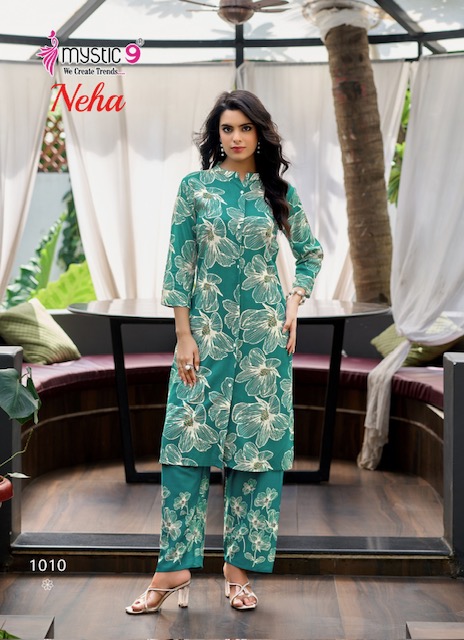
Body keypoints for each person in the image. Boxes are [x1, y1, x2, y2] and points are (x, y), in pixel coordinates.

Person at [126, 89, 323, 615]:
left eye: (245, 128)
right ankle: (172, 568)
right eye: (227, 129)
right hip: (205, 337)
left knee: (255, 455)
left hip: (264, 341)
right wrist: (182, 334)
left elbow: (310, 253)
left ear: (261, 134)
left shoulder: (278, 192)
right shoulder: (194, 188)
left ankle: (239, 572)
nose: (236, 137)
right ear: (217, 135)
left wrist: (294, 300)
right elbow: (180, 263)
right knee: (183, 448)